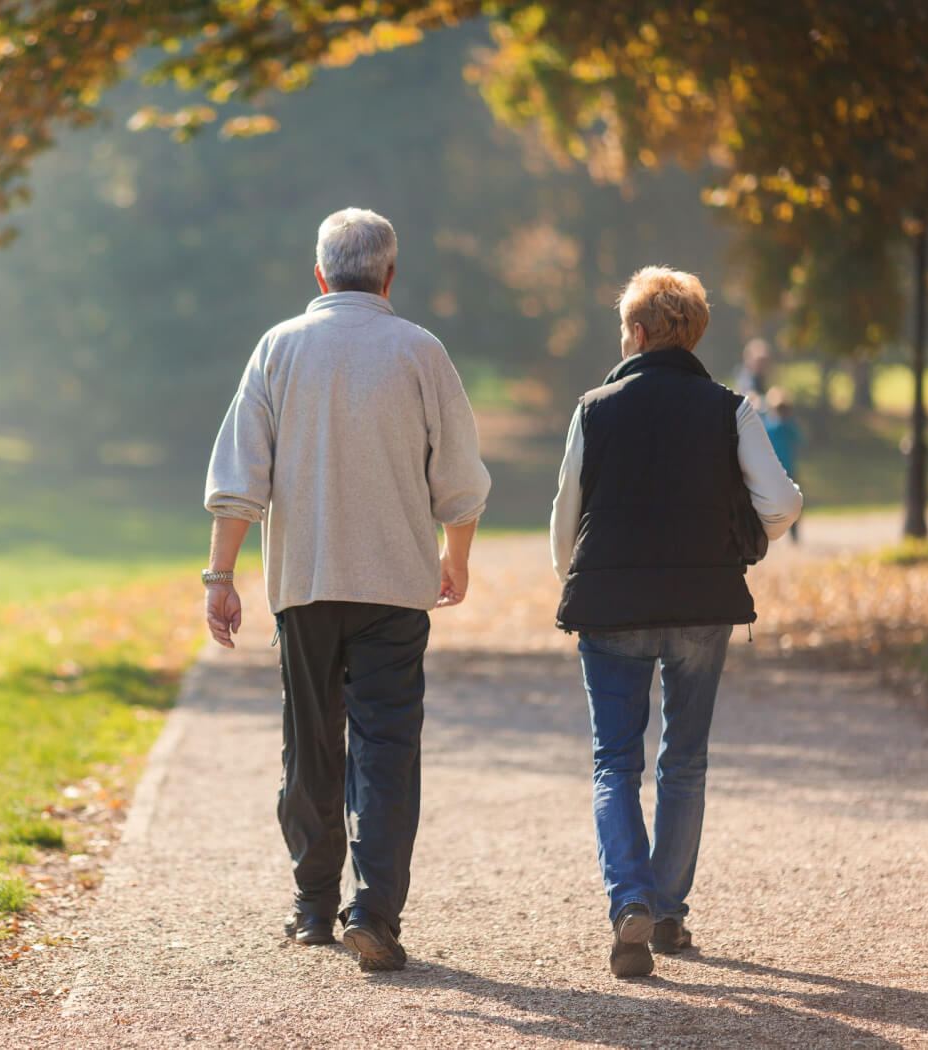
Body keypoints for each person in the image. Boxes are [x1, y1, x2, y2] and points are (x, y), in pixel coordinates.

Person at [203, 207, 493, 972]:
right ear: (390, 275)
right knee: (388, 750)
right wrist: (454, 556)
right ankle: (375, 911)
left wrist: (221, 574)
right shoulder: (420, 351)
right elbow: (460, 479)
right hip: (396, 588)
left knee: (311, 746)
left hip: (304, 586)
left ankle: (310, 907)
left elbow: (240, 479)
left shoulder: (279, 348)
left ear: (320, 274)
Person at [549, 266, 802, 978]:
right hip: (702, 603)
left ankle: (628, 897)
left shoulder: (594, 407)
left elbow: (565, 519)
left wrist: (578, 578)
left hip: (610, 607)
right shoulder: (730, 408)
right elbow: (780, 504)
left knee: (614, 762)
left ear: (635, 332)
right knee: (684, 761)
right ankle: (666, 911)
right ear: (693, 333)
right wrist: (747, 535)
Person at [762, 387, 804, 543]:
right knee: (792, 502)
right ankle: (793, 536)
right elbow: (801, 440)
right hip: (784, 468)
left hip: (775, 470)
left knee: (770, 503)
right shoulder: (788, 425)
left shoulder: (768, 424)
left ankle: (771, 535)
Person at [734, 338, 773, 405]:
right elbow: (750, 397)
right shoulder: (745, 378)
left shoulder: (761, 378)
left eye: (765, 360)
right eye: (761, 360)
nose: (763, 364)